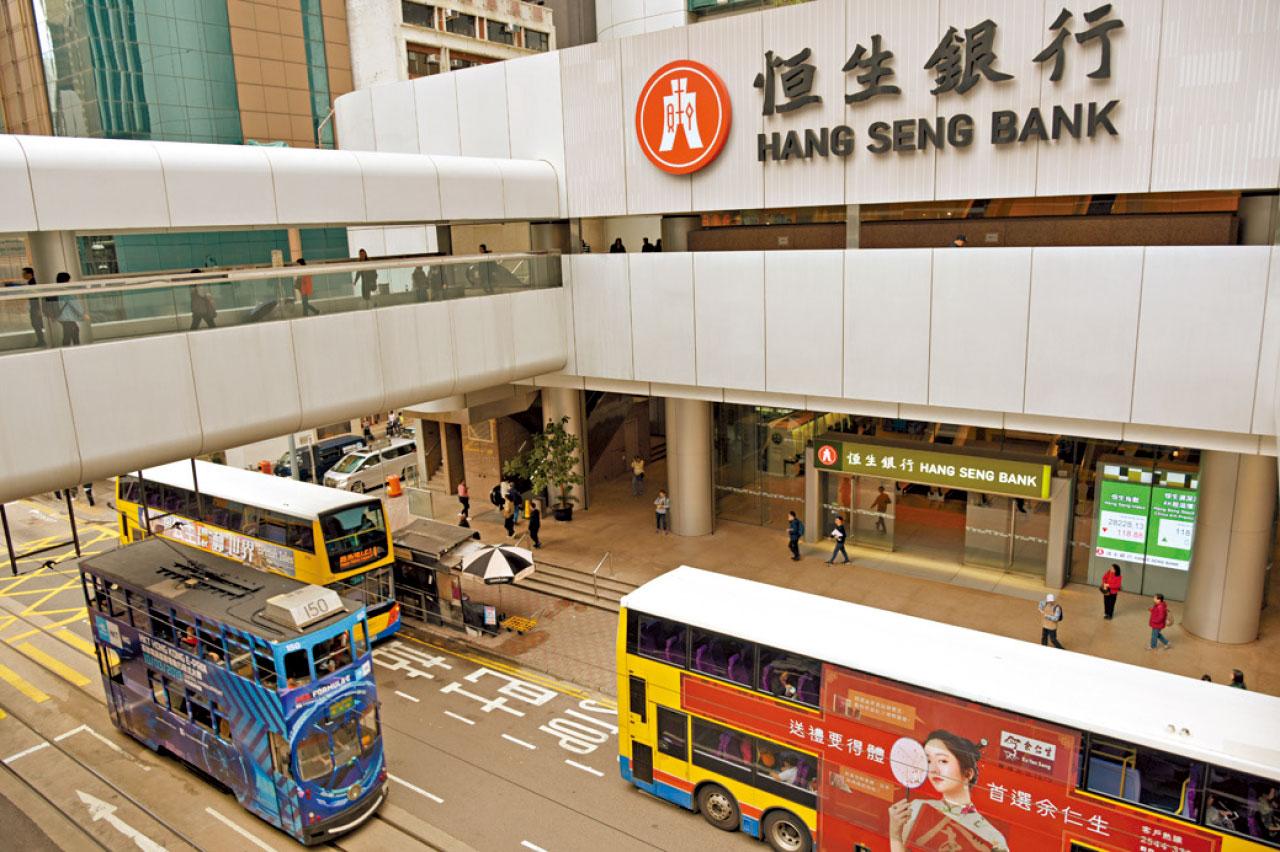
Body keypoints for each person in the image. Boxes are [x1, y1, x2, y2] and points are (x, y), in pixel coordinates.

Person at [887, 730, 1008, 852]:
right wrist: (895, 833)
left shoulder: (992, 837)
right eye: (928, 761)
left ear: (968, 773)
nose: (933, 769)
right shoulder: (917, 807)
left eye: (943, 761)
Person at [10, 267, 45, 346]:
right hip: (34, 306)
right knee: (36, 324)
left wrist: (39, 308)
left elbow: (36, 296)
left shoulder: (33, 282)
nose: (22, 275)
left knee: (36, 324)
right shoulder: (31, 282)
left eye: (24, 273)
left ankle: (41, 341)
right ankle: (41, 340)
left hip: (36, 307)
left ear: (29, 274)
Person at [55, 274, 86, 346]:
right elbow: (74, 303)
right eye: (69, 280)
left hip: (61, 317)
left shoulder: (57, 290)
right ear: (65, 281)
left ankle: (70, 348)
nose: (70, 282)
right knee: (73, 333)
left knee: (68, 333)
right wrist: (83, 314)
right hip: (68, 317)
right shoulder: (66, 291)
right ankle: (75, 349)